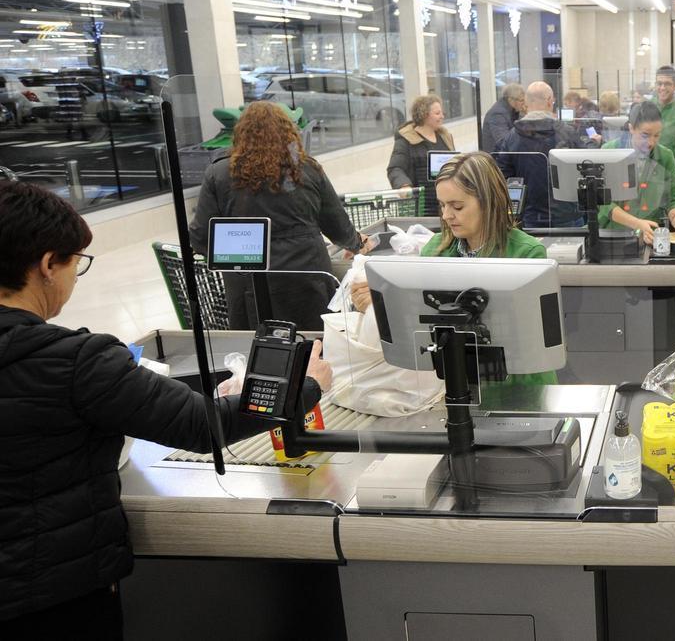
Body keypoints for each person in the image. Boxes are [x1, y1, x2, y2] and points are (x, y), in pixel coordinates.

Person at [0, 180, 331, 634]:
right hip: (50, 596)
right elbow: (202, 425)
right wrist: (308, 386)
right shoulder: (75, 361)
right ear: (46, 265)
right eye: (77, 262)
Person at [189, 101, 368, 330]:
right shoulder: (307, 169)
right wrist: (357, 243)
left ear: (241, 134)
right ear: (289, 132)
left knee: (257, 351)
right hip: (306, 276)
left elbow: (201, 236)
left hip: (248, 284)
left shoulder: (219, 173)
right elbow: (336, 224)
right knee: (312, 344)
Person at [420, 152, 557, 385]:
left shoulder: (526, 253)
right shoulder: (434, 251)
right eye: (442, 206)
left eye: (457, 206)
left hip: (521, 386)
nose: (446, 215)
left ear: (488, 201)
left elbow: (533, 339)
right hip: (461, 383)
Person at [493, 80, 585, 228]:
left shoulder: (511, 138)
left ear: (526, 103)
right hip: (567, 216)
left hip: (529, 218)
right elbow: (584, 170)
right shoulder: (566, 133)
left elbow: (502, 177)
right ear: (550, 101)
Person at [598, 101, 675, 243]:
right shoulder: (609, 152)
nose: (651, 142)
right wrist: (637, 224)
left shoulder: (665, 157)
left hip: (650, 237)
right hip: (612, 235)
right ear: (631, 128)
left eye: (656, 136)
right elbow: (603, 203)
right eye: (645, 135)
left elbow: (673, 199)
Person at [387, 94, 456, 215]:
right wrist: (403, 185)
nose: (442, 116)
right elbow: (395, 168)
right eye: (437, 113)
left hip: (445, 205)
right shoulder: (405, 140)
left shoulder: (445, 137)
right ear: (424, 115)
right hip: (421, 207)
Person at [651, 64, 675, 157]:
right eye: (659, 83)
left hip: (668, 167)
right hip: (646, 165)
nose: (662, 88)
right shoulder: (646, 107)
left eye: (667, 84)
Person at [480, 82, 525, 153]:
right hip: (495, 158)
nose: (524, 103)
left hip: (504, 155)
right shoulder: (497, 114)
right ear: (511, 100)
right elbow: (504, 142)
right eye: (521, 100)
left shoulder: (513, 110)